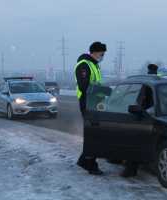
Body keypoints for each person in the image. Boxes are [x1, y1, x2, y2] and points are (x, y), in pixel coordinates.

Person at [75, 41, 107, 175]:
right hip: (88, 102)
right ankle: (89, 163)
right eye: (102, 53)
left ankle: (86, 160)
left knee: (95, 134)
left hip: (95, 102)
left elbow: (95, 83)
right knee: (93, 134)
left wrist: (103, 92)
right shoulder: (84, 65)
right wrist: (103, 90)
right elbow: (84, 86)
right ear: (94, 52)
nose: (103, 55)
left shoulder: (94, 65)